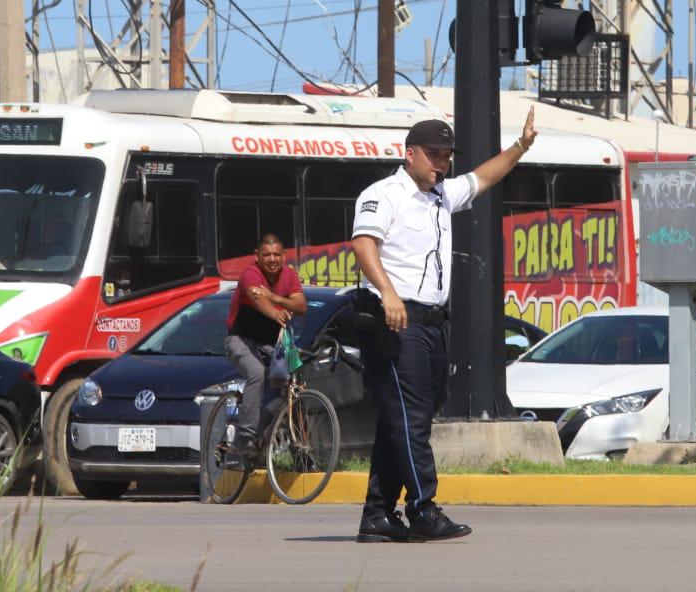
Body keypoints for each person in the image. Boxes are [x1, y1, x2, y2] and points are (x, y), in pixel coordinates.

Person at [350, 110, 538, 544]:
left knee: (402, 420)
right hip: (395, 320)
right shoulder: (384, 194)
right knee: (410, 418)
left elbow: (483, 178)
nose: (441, 163)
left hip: (432, 324)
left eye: (447, 156)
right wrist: (389, 293)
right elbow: (363, 244)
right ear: (409, 153)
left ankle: (377, 515)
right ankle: (422, 509)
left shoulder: (440, 195)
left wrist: (521, 147)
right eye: (433, 154)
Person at [223, 233, 307, 461]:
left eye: (277, 255)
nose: (272, 259)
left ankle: (260, 436)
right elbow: (257, 298)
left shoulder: (288, 275)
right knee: (257, 373)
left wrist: (276, 297)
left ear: (284, 256)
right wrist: (275, 311)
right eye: (267, 254)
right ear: (257, 255)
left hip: (270, 344)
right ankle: (245, 436)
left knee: (289, 385)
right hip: (240, 339)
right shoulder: (251, 274)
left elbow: (301, 305)